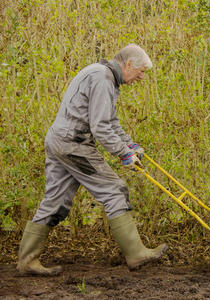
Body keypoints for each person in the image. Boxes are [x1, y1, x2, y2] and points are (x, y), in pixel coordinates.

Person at [17, 44, 168, 276]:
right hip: (73, 144)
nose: (141, 77)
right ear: (128, 64)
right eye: (140, 71)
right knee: (114, 190)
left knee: (55, 201)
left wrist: (129, 144)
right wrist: (123, 154)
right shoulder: (103, 78)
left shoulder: (101, 73)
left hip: (60, 140)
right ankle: (136, 253)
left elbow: (110, 121)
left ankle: (27, 260)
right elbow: (100, 127)